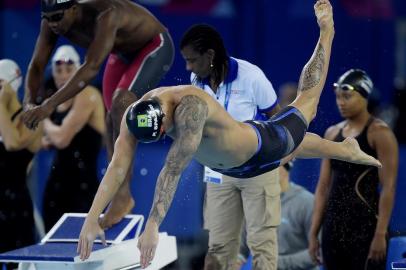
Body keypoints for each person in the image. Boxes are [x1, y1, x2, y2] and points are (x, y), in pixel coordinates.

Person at [78, 3, 382, 268]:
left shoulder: (190, 107)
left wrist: (152, 225)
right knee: (219, 253)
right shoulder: (137, 115)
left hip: (262, 149)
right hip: (225, 172)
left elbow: (173, 168)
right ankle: (344, 149)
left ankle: (326, 33)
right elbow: (117, 167)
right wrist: (92, 217)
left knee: (307, 101)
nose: (163, 137)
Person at [22, 0, 175, 228]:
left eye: (57, 17)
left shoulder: (105, 14)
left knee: (122, 103)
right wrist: (28, 102)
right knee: (111, 118)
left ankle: (123, 196)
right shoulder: (50, 22)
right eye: (47, 18)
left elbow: (91, 67)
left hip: (154, 46)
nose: (52, 24)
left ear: (74, 9)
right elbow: (37, 65)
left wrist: (48, 105)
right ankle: (119, 195)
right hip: (120, 53)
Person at [180, 24, 281, 270]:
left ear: (210, 56)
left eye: (192, 60)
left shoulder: (251, 77)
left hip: (256, 169)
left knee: (261, 245)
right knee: (218, 248)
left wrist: (282, 159)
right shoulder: (197, 80)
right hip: (219, 173)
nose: (188, 68)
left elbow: (277, 120)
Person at [309, 69, 399, 270]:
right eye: (339, 97)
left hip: (366, 226)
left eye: (347, 96)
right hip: (333, 227)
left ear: (364, 96)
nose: (341, 102)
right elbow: (323, 187)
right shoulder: (332, 133)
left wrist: (380, 233)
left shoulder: (379, 133)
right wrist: (314, 233)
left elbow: (389, 188)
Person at [41, 45, 106, 231]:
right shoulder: (55, 102)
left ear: (78, 71)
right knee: (53, 253)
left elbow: (61, 139)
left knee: (83, 252)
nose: (63, 75)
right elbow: (46, 141)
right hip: (56, 189)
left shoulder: (88, 95)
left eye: (69, 69)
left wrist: (42, 116)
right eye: (58, 70)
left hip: (83, 190)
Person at [0, 59, 42, 270]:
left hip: (15, 207)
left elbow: (11, 142)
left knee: (18, 265)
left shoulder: (31, 119)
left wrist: (0, 104)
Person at [238, 162, 319, 270]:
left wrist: (275, 263)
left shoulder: (307, 203)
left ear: (285, 170)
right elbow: (241, 251)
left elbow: (318, 253)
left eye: (271, 168)